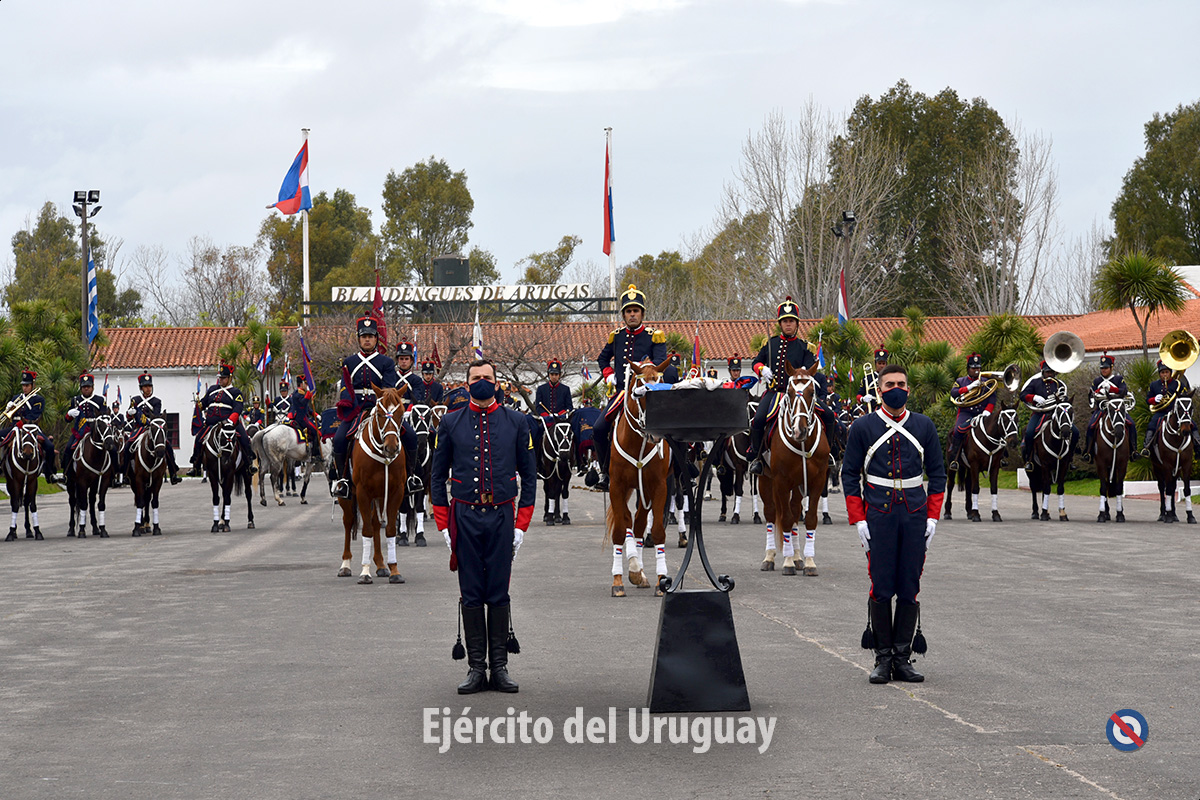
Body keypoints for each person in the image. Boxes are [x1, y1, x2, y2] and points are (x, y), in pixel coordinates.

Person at [431, 359, 536, 694]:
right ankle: (477, 667)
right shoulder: (449, 423)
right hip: (464, 516)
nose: (481, 382)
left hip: (503, 515)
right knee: (472, 591)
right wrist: (444, 524)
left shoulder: (518, 421)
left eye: (487, 377)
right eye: (475, 378)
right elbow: (436, 476)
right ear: (466, 384)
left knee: (498, 591)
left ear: (497, 383)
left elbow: (530, 477)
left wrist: (522, 524)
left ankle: (500, 668)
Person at [841, 363, 945, 684]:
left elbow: (938, 475)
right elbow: (849, 475)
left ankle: (903, 658)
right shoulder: (863, 427)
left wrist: (932, 516)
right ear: (880, 389)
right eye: (889, 384)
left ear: (908, 389)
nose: (895, 388)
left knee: (909, 586)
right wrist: (858, 519)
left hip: (914, 515)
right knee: (882, 585)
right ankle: (883, 659)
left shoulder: (924, 425)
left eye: (901, 383)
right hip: (878, 517)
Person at [588, 284, 678, 490]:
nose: (632, 315)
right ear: (624, 315)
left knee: (671, 425)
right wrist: (608, 374)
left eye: (635, 311)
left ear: (642, 313)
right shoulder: (616, 336)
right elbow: (603, 359)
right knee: (599, 428)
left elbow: (659, 364)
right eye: (628, 311)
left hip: (649, 394)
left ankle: (682, 466)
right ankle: (605, 472)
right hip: (622, 393)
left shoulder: (654, 335)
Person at [329, 317, 421, 499]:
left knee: (410, 435)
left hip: (381, 409)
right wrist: (350, 405)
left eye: (371, 336)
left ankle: (411, 477)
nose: (367, 340)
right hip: (356, 410)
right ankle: (343, 481)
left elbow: (389, 388)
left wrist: (380, 406)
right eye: (364, 337)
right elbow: (345, 387)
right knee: (339, 439)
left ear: (376, 339)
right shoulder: (349, 361)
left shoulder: (385, 362)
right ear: (359, 339)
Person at [745, 297, 830, 474]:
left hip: (799, 394)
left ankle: (829, 453)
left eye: (791, 321)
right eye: (785, 321)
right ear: (780, 324)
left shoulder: (805, 347)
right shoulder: (771, 344)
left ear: (797, 324)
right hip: (775, 392)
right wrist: (762, 369)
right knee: (759, 419)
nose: (788, 324)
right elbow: (755, 362)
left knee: (829, 415)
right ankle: (757, 456)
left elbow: (810, 367)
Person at [189, 364, 255, 477]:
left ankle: (249, 464)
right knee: (199, 439)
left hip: (228, 423)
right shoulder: (212, 389)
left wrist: (230, 421)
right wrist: (199, 405)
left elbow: (238, 408)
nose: (221, 380)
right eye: (220, 377)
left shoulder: (236, 392)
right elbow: (204, 403)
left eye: (223, 378)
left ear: (229, 378)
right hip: (211, 423)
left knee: (244, 438)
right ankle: (196, 466)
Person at [124, 372, 183, 484]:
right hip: (139, 429)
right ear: (141, 388)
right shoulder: (135, 400)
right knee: (128, 446)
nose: (148, 388)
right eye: (146, 386)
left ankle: (173, 473)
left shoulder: (156, 401)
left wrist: (144, 419)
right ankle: (125, 473)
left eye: (149, 386)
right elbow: (129, 417)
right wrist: (130, 412)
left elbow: (155, 416)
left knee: (168, 446)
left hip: (152, 428)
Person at [1020, 360, 1078, 471]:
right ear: (1043, 372)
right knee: (1029, 432)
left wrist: (1062, 399)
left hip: (1056, 413)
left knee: (1075, 432)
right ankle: (1029, 460)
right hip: (1039, 413)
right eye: (1047, 372)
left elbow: (1064, 399)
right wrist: (1034, 397)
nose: (1049, 375)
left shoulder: (1059, 384)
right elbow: (1023, 395)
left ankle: (1070, 459)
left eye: (1051, 372)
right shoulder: (1035, 383)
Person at [1, 370, 56, 482]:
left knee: (49, 447)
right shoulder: (16, 398)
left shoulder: (38, 400)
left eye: (27, 385)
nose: (25, 388)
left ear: (32, 385)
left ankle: (49, 472)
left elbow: (33, 416)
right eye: (23, 385)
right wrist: (9, 408)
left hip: (31, 427)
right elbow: (11, 416)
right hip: (15, 427)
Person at [1083, 354, 1137, 462]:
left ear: (1111, 368)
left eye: (1106, 368)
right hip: (1101, 409)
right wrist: (1099, 390)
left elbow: (1124, 391)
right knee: (1090, 426)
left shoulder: (1118, 379)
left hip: (1117, 409)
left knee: (1131, 424)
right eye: (1102, 368)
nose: (1104, 370)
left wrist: (1112, 388)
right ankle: (1088, 452)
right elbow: (1091, 394)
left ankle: (1133, 451)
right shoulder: (1097, 381)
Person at [946, 353, 995, 471]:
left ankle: (1002, 457)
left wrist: (987, 411)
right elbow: (954, 393)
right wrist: (969, 387)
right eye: (973, 368)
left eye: (978, 368)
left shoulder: (987, 381)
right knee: (958, 430)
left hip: (983, 413)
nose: (976, 371)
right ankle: (955, 459)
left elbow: (992, 398)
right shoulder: (961, 381)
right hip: (966, 412)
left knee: (997, 428)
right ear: (968, 369)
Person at [1142, 360, 1200, 456]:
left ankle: (1198, 446)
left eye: (1167, 372)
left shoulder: (1178, 384)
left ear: (1170, 372)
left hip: (1176, 412)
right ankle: (1146, 447)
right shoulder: (1154, 385)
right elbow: (1148, 400)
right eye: (1162, 373)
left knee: (1192, 424)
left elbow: (1185, 396)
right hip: (1161, 412)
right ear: (1159, 374)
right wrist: (1154, 399)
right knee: (1152, 424)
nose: (1165, 375)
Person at [61, 373, 106, 479]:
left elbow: (104, 415)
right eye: (84, 387)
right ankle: (67, 473)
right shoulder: (75, 400)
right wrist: (70, 414)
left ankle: (112, 472)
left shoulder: (99, 400)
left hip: (95, 430)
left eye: (88, 387)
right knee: (68, 448)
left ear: (93, 387)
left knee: (110, 447)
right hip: (79, 431)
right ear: (81, 388)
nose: (86, 389)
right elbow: (67, 419)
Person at [530, 359, 574, 453]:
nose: (554, 377)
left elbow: (569, 406)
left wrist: (560, 414)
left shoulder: (565, 389)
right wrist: (546, 415)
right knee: (536, 434)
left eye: (556, 374)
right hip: (546, 420)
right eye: (552, 374)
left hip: (561, 420)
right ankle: (536, 460)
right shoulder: (541, 389)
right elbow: (538, 406)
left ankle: (578, 460)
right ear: (548, 375)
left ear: (559, 375)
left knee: (573, 436)